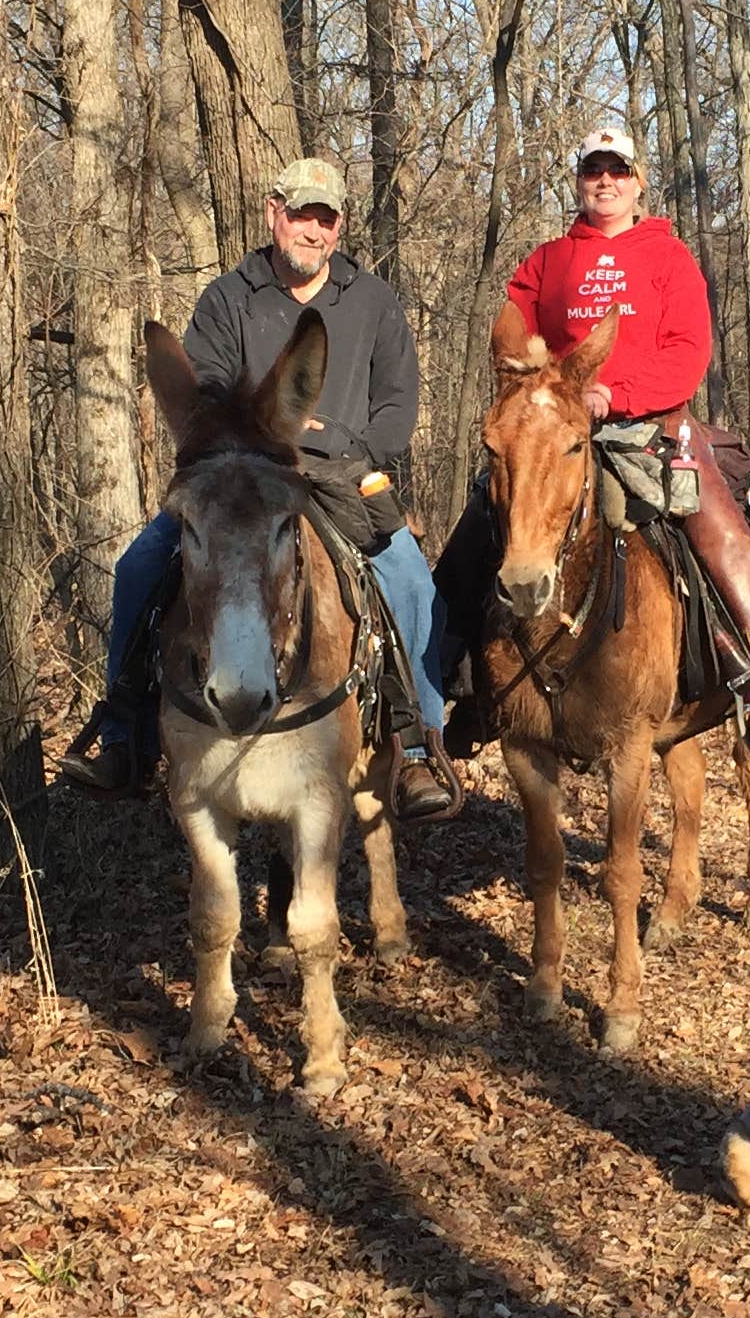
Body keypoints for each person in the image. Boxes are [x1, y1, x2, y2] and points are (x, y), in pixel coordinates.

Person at [59, 158, 459, 822]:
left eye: (325, 218)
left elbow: (397, 406)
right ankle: (124, 736)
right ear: (275, 213)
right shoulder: (227, 297)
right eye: (301, 214)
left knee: (412, 582)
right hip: (244, 479)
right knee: (138, 568)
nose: (313, 230)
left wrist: (356, 454)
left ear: (340, 226)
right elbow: (204, 396)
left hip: (345, 476)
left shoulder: (374, 302)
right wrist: (249, 446)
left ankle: (417, 746)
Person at [439, 125, 750, 754]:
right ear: (579, 181)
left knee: (701, 519)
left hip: (650, 423)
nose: (605, 181)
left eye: (618, 170)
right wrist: (539, 388)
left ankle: (749, 676)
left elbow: (689, 353)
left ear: (638, 183)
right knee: (480, 525)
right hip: (555, 424)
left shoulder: (669, 258)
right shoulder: (548, 261)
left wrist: (616, 393)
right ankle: (457, 684)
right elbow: (515, 333)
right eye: (593, 170)